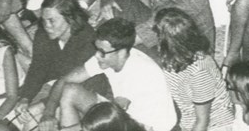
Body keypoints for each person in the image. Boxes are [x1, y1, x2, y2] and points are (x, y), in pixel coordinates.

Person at [39, 18, 177, 131]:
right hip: (123, 115)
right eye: (96, 49)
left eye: (102, 52)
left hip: (147, 127)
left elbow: (111, 118)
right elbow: (64, 80)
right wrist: (48, 114)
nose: (97, 56)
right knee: (70, 91)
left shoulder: (139, 72)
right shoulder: (108, 56)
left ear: (121, 52)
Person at [154, 8, 234, 131]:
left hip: (214, 126)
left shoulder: (199, 72)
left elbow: (202, 121)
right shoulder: (171, 58)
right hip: (187, 119)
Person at [15, 0, 96, 114]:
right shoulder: (43, 34)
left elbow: (73, 84)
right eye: (44, 20)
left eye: (52, 21)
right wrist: (26, 97)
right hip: (50, 86)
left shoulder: (88, 39)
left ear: (70, 18)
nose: (47, 26)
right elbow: (38, 67)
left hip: (76, 95)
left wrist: (41, 106)